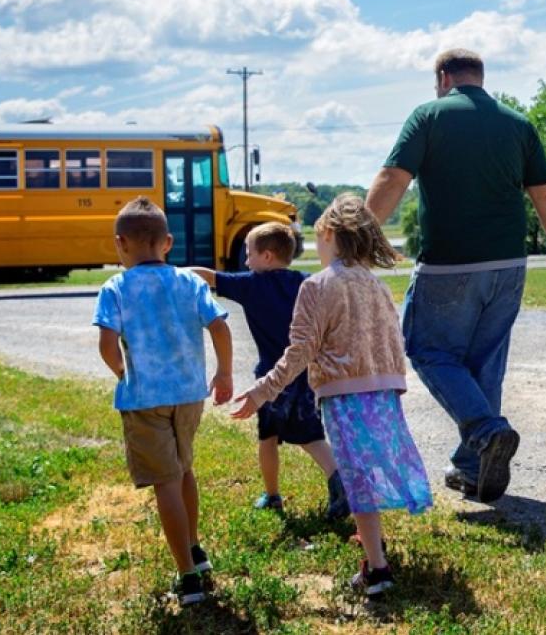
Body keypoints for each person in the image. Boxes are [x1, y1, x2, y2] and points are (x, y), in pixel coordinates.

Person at [367, 48, 546, 503]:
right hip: (510, 267)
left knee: (427, 349)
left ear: (443, 77)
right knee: (485, 363)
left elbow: (393, 179)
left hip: (449, 265)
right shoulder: (518, 124)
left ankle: (486, 429)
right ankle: (475, 469)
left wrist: (357, 240)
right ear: (481, 78)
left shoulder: (429, 116)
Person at [231, 194, 432, 600]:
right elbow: (393, 337)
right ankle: (371, 538)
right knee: (368, 470)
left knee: (356, 479)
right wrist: (394, 383)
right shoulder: (375, 284)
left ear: (327, 235)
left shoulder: (317, 285)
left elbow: (299, 350)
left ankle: (378, 570)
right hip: (383, 389)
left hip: (343, 395)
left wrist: (261, 391)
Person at [93, 197, 233, 606]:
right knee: (184, 469)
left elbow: (106, 344)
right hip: (189, 396)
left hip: (144, 399)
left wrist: (123, 373)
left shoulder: (115, 287)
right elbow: (220, 327)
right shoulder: (189, 282)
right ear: (167, 242)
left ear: (120, 244)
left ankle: (188, 578)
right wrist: (224, 373)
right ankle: (194, 548)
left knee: (166, 483)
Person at [190, 223, 348, 518]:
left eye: (249, 254)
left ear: (268, 256)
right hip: (305, 372)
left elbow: (209, 277)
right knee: (309, 433)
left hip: (270, 378)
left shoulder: (252, 284)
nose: (246, 261)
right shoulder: (307, 282)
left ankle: (282, 493)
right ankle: (329, 480)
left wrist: (171, 273)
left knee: (270, 437)